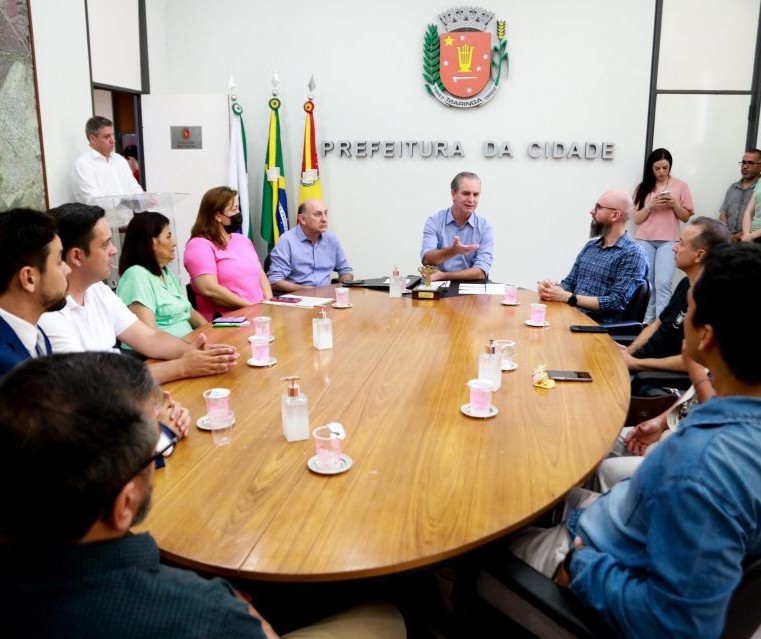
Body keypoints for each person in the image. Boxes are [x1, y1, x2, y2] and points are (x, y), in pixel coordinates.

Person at [0, 352, 406, 639]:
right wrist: (235, 605)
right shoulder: (199, 612)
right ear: (124, 505)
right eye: (154, 448)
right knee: (385, 613)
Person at [502, 242, 761, 638]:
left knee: (470, 549)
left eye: (689, 309)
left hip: (590, 564)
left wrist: (581, 567)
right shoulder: (736, 422)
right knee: (533, 487)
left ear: (706, 337)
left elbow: (679, 626)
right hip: (617, 528)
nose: (682, 318)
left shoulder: (699, 468)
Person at [38, 203, 239, 384]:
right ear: (76, 256)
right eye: (106, 243)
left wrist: (195, 352)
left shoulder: (98, 290)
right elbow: (92, 383)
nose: (114, 250)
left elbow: (148, 337)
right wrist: (182, 367)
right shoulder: (48, 313)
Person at [619, 216, 730, 373]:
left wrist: (635, 363)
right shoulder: (685, 284)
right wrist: (628, 353)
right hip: (637, 364)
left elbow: (694, 362)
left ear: (699, 255)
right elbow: (659, 323)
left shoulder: (712, 301)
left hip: (653, 376)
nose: (674, 248)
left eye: (681, 243)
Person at [537, 189, 648, 323]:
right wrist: (551, 290)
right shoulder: (591, 246)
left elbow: (616, 302)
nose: (592, 211)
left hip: (597, 329)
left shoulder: (633, 253)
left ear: (615, 215)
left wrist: (569, 297)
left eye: (598, 208)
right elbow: (570, 283)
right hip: (570, 318)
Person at [184, 186, 273, 320]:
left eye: (238, 208)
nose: (238, 213)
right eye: (234, 210)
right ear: (217, 215)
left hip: (258, 314)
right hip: (228, 321)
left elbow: (260, 274)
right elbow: (209, 289)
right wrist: (250, 307)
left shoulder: (242, 240)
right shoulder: (199, 245)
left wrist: (269, 303)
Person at [0, 208, 70, 376]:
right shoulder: (8, 367)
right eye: (59, 260)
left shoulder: (35, 334)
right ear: (29, 278)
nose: (67, 270)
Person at [117, 211, 206, 340]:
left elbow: (188, 311)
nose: (174, 242)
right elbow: (148, 337)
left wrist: (211, 333)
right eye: (168, 236)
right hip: (160, 356)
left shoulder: (165, 272)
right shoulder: (136, 276)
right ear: (151, 241)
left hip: (187, 344)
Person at [633, 147, 695, 324]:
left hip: (669, 240)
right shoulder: (643, 187)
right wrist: (650, 206)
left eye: (664, 168)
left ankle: (662, 325)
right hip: (645, 239)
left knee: (663, 283)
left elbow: (685, 217)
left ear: (670, 167)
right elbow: (636, 219)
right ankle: (646, 324)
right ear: (650, 168)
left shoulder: (681, 186)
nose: (661, 172)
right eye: (657, 168)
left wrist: (674, 204)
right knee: (646, 284)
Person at [267, 198, 353, 293]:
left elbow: (345, 270)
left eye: (325, 213)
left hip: (327, 298)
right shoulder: (287, 241)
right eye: (318, 214)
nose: (324, 219)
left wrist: (343, 287)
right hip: (299, 299)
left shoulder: (331, 239)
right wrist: (312, 291)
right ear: (302, 219)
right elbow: (274, 281)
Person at [420, 171, 494, 281]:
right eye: (466, 193)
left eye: (476, 194)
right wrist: (453, 250)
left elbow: (481, 271)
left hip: (471, 289)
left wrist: (444, 276)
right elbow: (427, 259)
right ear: (453, 194)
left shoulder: (485, 227)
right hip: (439, 288)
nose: (471, 199)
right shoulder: (434, 221)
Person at [71, 116, 143, 204]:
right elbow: (91, 200)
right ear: (92, 139)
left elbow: (133, 187)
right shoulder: (83, 164)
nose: (113, 140)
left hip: (127, 217)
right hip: (103, 217)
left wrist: (144, 199)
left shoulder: (119, 159)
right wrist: (123, 203)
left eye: (112, 135)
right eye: (107, 137)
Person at [719, 148, 761, 240]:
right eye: (743, 162)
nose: (745, 166)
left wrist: (744, 235)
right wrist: (727, 235)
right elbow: (723, 213)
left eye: (750, 163)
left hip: (751, 240)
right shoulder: (733, 187)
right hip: (728, 240)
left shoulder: (759, 190)